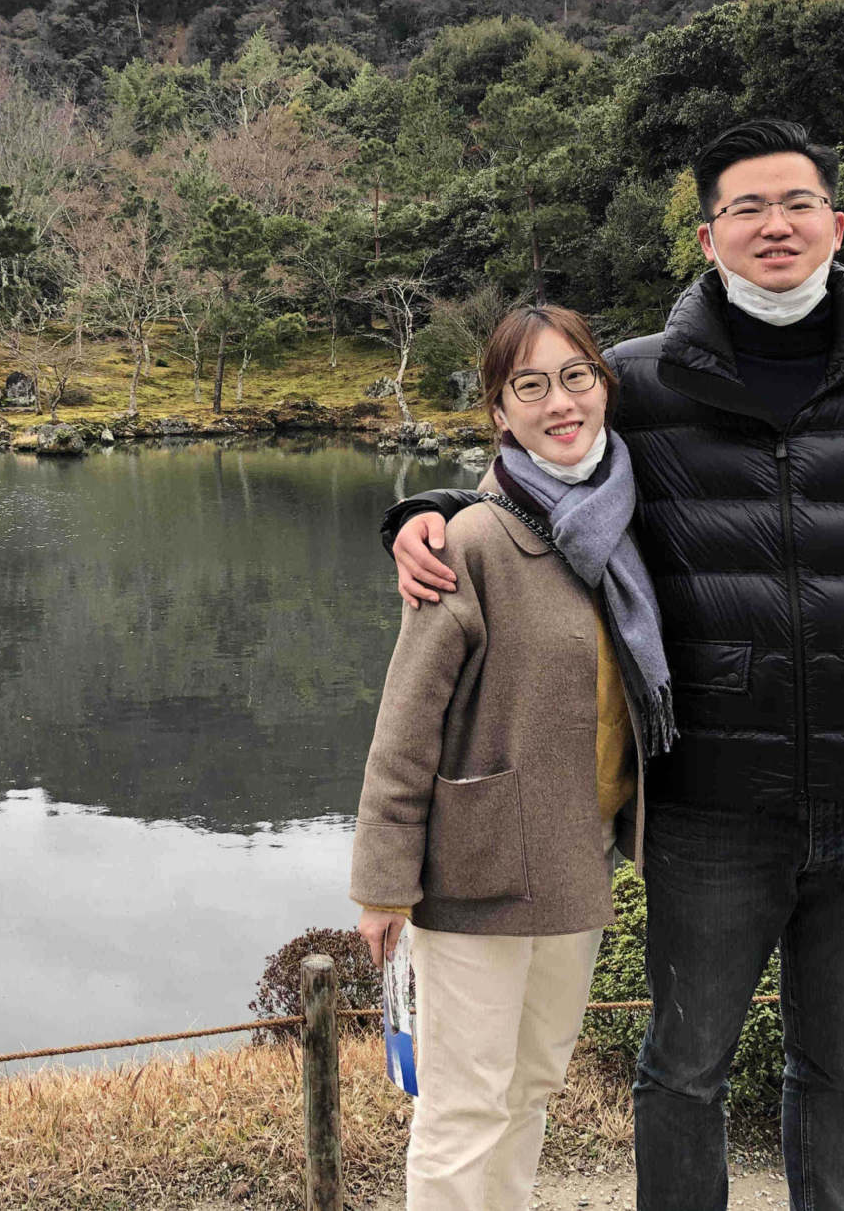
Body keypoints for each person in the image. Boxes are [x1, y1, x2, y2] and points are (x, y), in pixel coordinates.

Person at [385, 119, 844, 1211]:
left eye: (796, 204)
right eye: (746, 208)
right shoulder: (645, 379)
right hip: (706, 796)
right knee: (682, 1067)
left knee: (843, 1062)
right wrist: (424, 512)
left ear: (836, 225)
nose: (775, 226)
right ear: (706, 235)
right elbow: (546, 470)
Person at [350, 303, 674, 1211]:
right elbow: (404, 727)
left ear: (604, 386)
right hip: (480, 870)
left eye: (575, 377)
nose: (559, 403)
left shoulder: (625, 522)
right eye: (530, 386)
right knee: (464, 1107)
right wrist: (383, 885)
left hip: (575, 861)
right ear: (499, 411)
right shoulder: (470, 543)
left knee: (531, 1089)